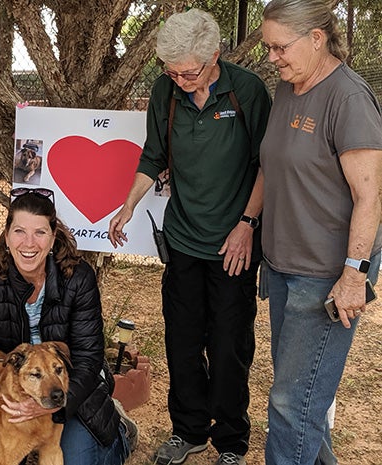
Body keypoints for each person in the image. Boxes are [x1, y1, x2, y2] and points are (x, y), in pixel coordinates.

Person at [107, 8, 271, 465]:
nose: (178, 79)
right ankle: (189, 431)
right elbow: (153, 154)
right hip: (182, 242)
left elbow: (267, 165)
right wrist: (128, 205)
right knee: (182, 343)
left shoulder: (247, 91)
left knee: (228, 348)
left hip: (233, 245)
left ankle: (232, 443)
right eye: (171, 71)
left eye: (188, 71)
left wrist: (247, 225)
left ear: (215, 56)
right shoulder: (167, 91)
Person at [0, 188, 137, 465]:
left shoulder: (78, 277)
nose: (29, 243)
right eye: (20, 231)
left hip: (70, 390)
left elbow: (87, 358)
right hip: (12, 386)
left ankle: (122, 431)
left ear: (52, 238)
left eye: (40, 233)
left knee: (78, 460)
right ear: (7, 236)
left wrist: (56, 405)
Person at [260, 1, 382, 463]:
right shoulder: (289, 87)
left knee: (292, 405)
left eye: (279, 47)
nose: (273, 57)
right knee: (302, 397)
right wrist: (249, 221)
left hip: (325, 277)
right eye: (269, 47)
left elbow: (371, 196)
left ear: (316, 38)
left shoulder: (348, 98)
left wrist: (355, 274)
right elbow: (271, 166)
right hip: (284, 266)